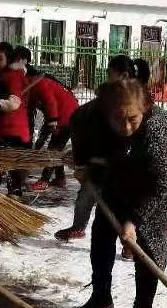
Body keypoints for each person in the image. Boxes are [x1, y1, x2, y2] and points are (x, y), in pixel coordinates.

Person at [68, 67, 167, 308]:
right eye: (117, 119)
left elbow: (161, 184)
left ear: (144, 109)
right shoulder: (94, 118)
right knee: (101, 236)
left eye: (132, 119)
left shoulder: (156, 129)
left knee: (147, 258)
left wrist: (133, 220)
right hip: (120, 183)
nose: (125, 127)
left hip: (160, 194)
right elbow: (89, 144)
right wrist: (86, 168)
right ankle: (101, 297)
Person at [54, 55, 149, 241]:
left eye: (109, 73)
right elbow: (83, 125)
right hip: (100, 163)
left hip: (122, 165)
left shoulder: (131, 103)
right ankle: (78, 226)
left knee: (124, 206)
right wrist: (81, 162)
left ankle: (131, 240)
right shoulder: (100, 104)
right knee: (86, 197)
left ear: (123, 75)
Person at [18, 45, 78, 191]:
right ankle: (60, 179)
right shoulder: (33, 82)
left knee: (53, 150)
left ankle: (44, 180)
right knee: (56, 149)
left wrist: (52, 123)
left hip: (66, 117)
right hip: (61, 115)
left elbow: (50, 102)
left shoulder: (37, 82)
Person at [0, 41, 31, 195]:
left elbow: (14, 102)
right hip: (1, 127)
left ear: (8, 60)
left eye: (0, 58)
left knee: (5, 163)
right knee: (0, 163)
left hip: (13, 128)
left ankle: (8, 195)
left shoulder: (12, 76)